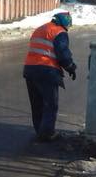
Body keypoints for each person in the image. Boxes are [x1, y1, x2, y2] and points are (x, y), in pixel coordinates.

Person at [23, 12, 77, 142]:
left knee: (37, 103)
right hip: (46, 70)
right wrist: (70, 66)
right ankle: (47, 133)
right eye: (68, 25)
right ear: (65, 23)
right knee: (50, 104)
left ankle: (40, 130)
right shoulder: (59, 32)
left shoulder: (40, 29)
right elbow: (62, 53)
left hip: (29, 70)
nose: (68, 28)